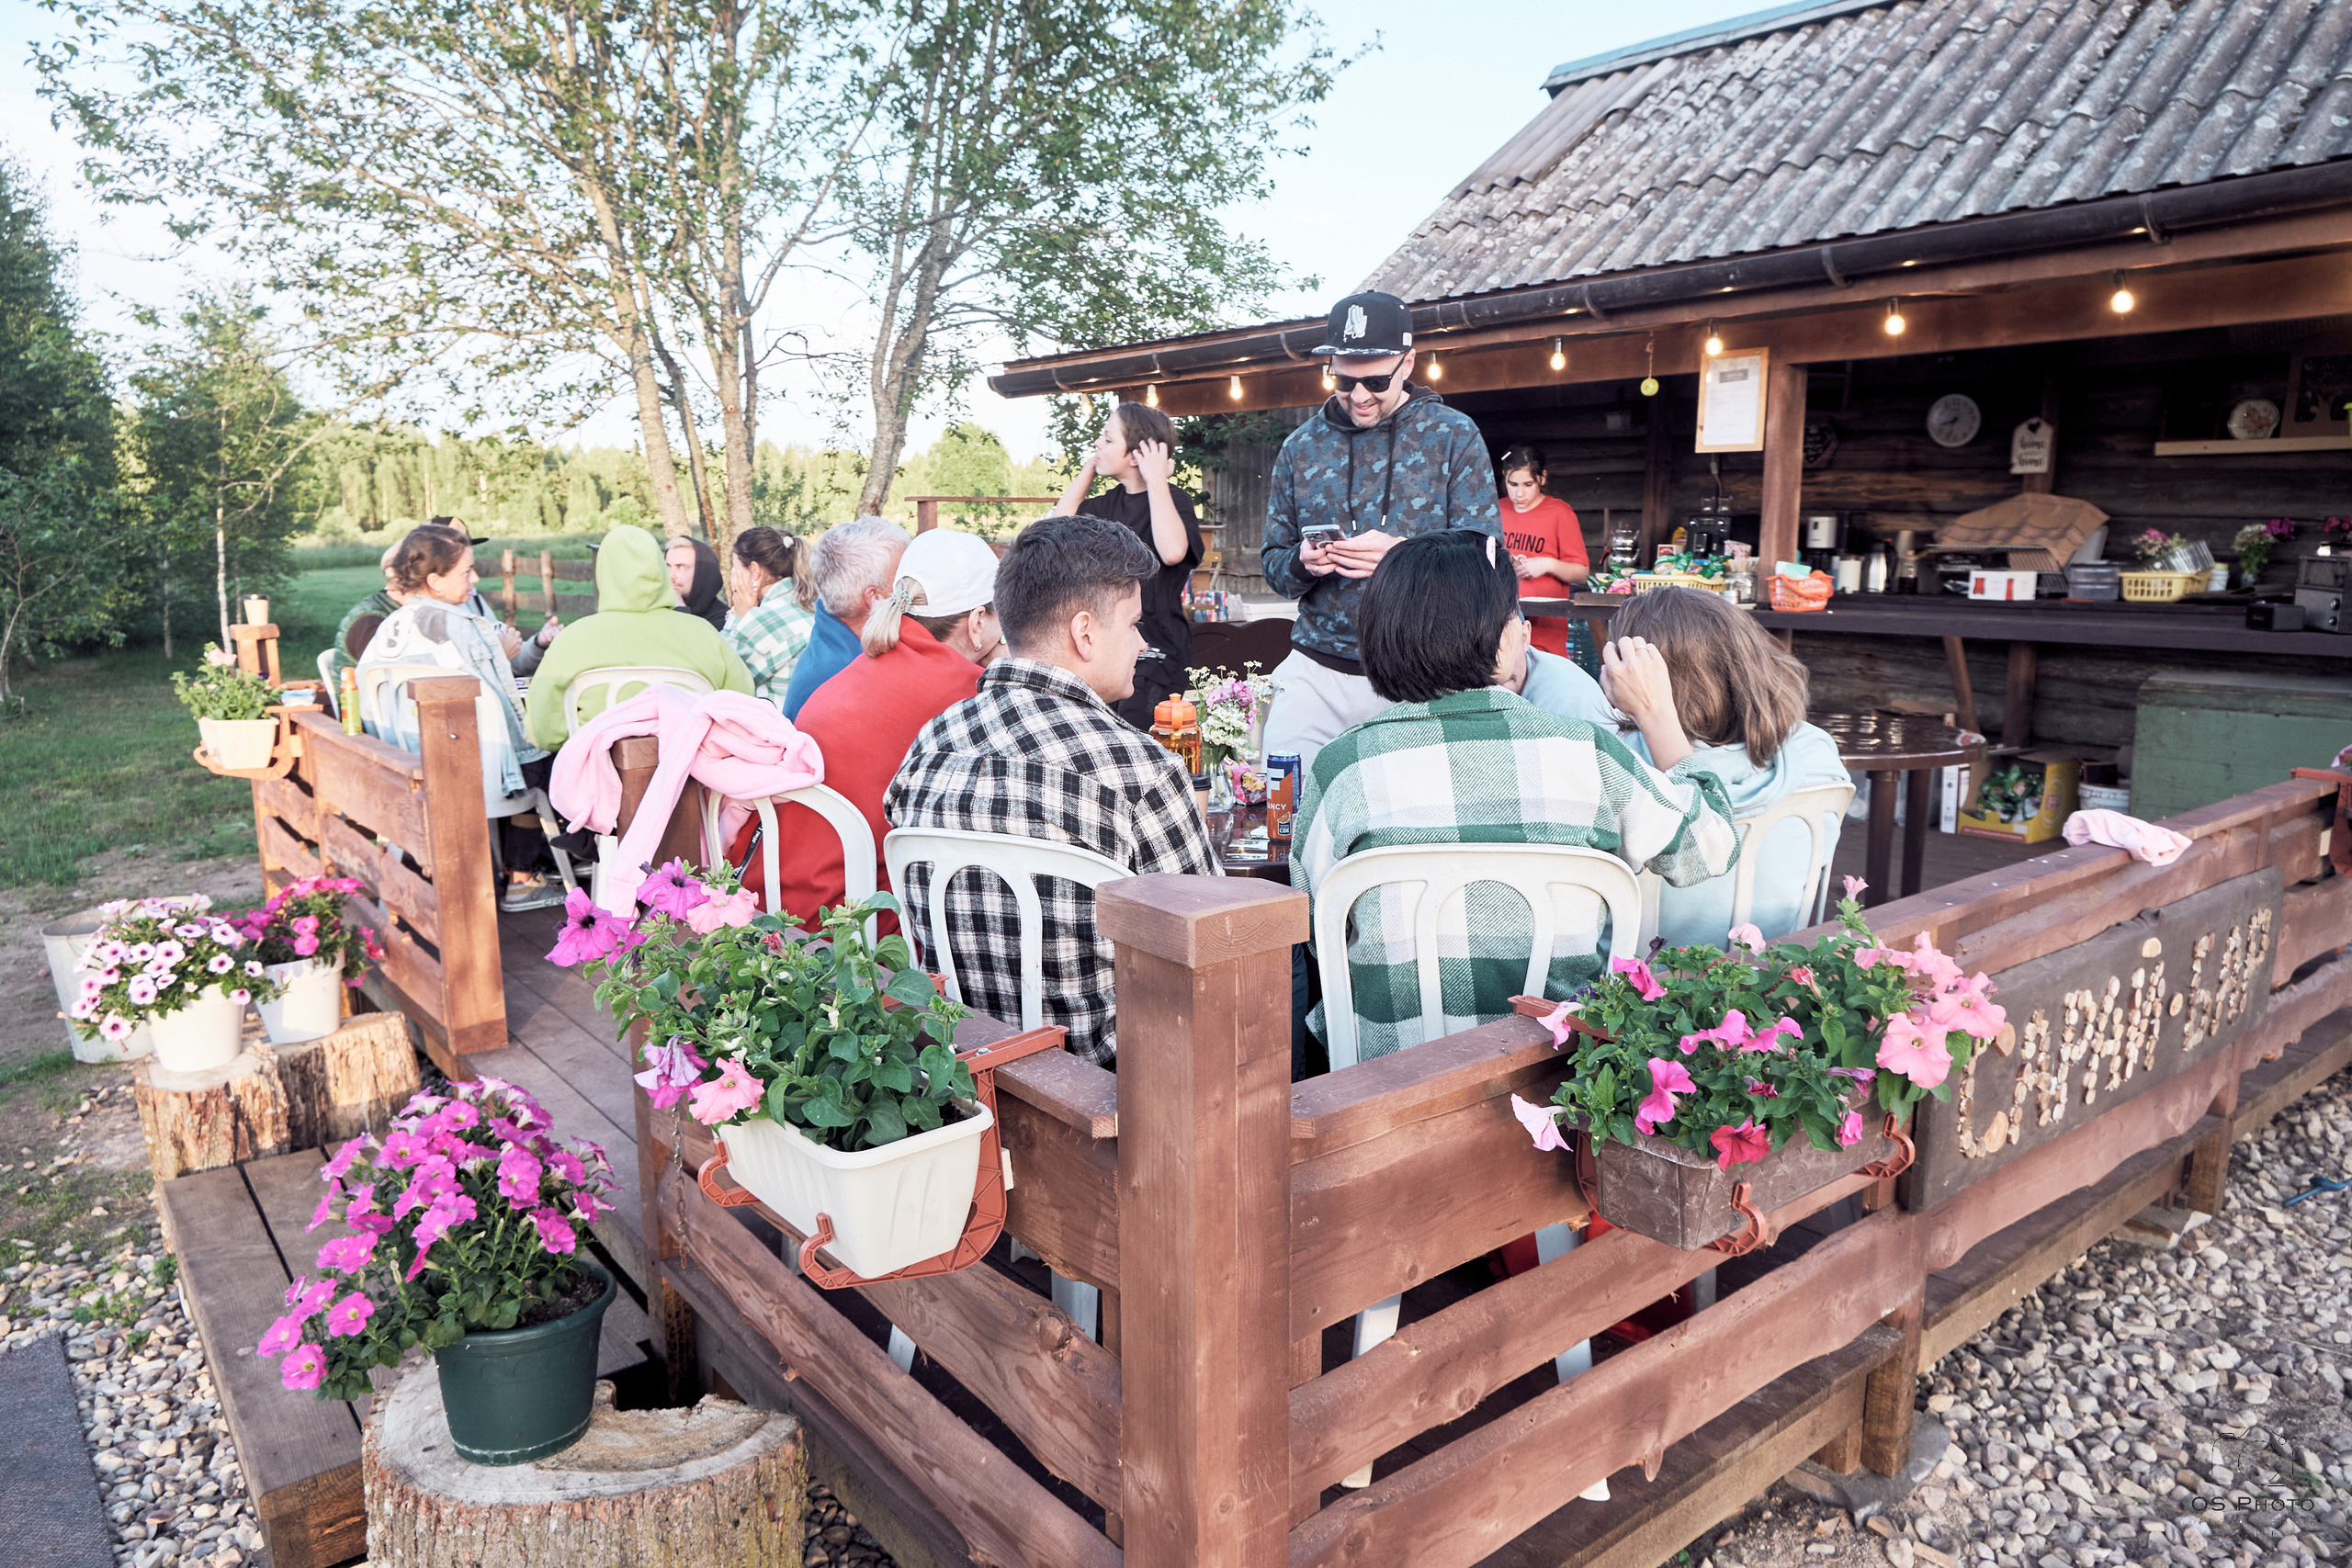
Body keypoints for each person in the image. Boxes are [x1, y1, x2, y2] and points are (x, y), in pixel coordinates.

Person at [1291, 531, 1739, 1060]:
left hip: (1388, 1075)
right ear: (1513, 638)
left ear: (1377, 639)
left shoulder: (1343, 767)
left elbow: (1318, 928)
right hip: (1558, 1076)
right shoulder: (1590, 755)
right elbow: (1711, 848)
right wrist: (1658, 713)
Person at [885, 514, 1217, 1067]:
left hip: (958, 1058)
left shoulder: (930, 742)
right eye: (1134, 624)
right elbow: (1213, 938)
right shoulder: (1139, 769)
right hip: (1107, 1078)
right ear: (1085, 633)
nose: (1142, 643)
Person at [1260, 289, 1502, 773]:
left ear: (1408, 363)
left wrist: (1405, 555)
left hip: (1423, 676)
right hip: (1315, 670)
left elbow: (1489, 559)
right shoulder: (1299, 447)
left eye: (1374, 380)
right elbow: (1274, 568)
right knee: (1282, 799)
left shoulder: (1453, 435)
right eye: (1344, 380)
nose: (1359, 395)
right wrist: (1301, 562)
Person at [747, 527, 1006, 934]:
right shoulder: (966, 693)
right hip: (853, 921)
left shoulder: (863, 662)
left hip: (777, 898)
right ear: (977, 622)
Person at [1610, 586, 1851, 948]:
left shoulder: (1617, 762)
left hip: (1647, 975)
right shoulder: (1815, 752)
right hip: (1772, 965)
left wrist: (1648, 714)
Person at [356, 526, 565, 910]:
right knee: (557, 755)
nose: (476, 578)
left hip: (410, 769)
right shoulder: (466, 627)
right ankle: (532, 875)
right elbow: (507, 719)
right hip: (470, 775)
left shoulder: (389, 628)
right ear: (435, 580)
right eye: (467, 571)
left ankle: (520, 871)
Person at [522, 524, 754, 750]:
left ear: (603, 574)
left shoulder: (570, 640)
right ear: (660, 572)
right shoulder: (706, 635)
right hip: (692, 770)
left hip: (598, 771)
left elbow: (543, 733)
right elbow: (743, 710)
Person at [1053, 400, 1204, 728]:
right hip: (1105, 651)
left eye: (1108, 439)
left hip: (1157, 651)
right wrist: (1088, 470)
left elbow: (1173, 552)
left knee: (1143, 733)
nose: (1098, 443)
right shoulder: (1103, 506)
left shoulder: (1174, 500)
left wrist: (1156, 480)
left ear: (1137, 455)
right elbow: (1052, 535)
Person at [779, 517, 910, 720]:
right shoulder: (842, 680)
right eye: (904, 577)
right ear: (875, 597)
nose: (914, 585)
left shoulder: (836, 636)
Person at [1495, 446, 1596, 675]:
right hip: (1503, 624)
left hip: (1546, 630)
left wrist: (1548, 564)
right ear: (1504, 477)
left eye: (1528, 484)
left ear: (1542, 478)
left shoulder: (1560, 512)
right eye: (1513, 484)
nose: (1519, 493)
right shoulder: (1497, 510)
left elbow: (1582, 572)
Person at [723, 526, 817, 709]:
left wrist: (739, 617)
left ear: (754, 570)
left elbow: (719, 677)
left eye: (735, 568)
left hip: (780, 723)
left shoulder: (765, 619)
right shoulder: (808, 604)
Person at [666, 536, 730, 632]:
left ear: (701, 572)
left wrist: (680, 610)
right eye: (668, 567)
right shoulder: (660, 607)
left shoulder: (723, 619)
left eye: (681, 567)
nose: (671, 575)